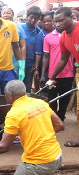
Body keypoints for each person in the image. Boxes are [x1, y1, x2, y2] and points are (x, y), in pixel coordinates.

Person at [46, 7, 79, 146]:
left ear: (71, 17)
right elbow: (63, 59)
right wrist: (52, 77)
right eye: (56, 22)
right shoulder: (64, 37)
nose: (57, 24)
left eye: (61, 21)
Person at [39, 25, 74, 122]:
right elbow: (46, 57)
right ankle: (53, 119)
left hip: (68, 73)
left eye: (61, 21)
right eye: (57, 21)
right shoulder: (48, 37)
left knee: (65, 98)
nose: (59, 24)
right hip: (52, 74)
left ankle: (61, 118)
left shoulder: (71, 36)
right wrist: (43, 75)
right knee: (52, 99)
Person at [2, 7, 26, 84]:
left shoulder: (19, 28)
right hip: (1, 61)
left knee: (14, 85)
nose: (5, 15)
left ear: (13, 15)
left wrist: (22, 64)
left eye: (8, 13)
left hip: (15, 60)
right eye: (4, 13)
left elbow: (23, 47)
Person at [33, 11, 55, 93]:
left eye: (49, 21)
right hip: (45, 66)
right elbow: (38, 54)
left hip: (56, 64)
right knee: (46, 87)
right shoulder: (40, 35)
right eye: (44, 21)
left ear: (53, 20)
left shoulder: (59, 32)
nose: (46, 23)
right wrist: (37, 69)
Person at [21, 6, 41, 93]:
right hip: (20, 63)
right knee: (18, 85)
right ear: (27, 16)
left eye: (36, 18)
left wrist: (35, 64)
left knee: (28, 86)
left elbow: (38, 50)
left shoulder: (38, 31)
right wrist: (21, 63)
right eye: (31, 17)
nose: (33, 20)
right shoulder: (21, 28)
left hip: (31, 64)